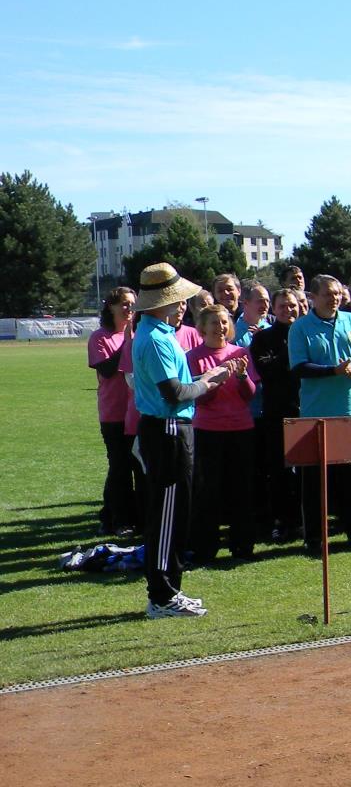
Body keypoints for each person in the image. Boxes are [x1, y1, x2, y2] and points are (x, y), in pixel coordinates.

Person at [131, 262, 241, 618]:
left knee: (176, 514)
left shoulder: (159, 335)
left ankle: (170, 590)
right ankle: (161, 596)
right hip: (167, 430)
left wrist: (207, 376)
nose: (183, 307)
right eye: (178, 301)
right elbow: (175, 392)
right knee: (165, 517)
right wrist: (209, 382)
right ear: (161, 302)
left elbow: (178, 384)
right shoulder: (155, 339)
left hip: (173, 429)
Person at [289, 274, 351, 551]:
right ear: (313, 298)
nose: (334, 298)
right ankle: (314, 537)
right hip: (315, 413)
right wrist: (334, 371)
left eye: (337, 293)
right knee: (315, 481)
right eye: (327, 294)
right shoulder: (301, 328)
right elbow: (299, 366)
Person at [188, 304, 258, 562]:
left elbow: (250, 394)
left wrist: (240, 377)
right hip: (209, 431)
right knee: (208, 491)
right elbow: (200, 399)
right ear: (203, 327)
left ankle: (242, 545)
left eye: (224, 322)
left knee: (241, 489)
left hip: (241, 429)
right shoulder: (193, 356)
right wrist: (215, 380)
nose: (221, 327)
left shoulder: (240, 353)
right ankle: (205, 547)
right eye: (215, 323)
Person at [248, 288, 303, 540]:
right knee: (279, 470)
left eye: (292, 305)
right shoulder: (262, 339)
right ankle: (282, 521)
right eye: (282, 306)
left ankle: (304, 519)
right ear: (274, 309)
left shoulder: (307, 333)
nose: (288, 310)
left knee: (304, 470)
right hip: (276, 412)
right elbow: (266, 369)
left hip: (305, 408)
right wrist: (291, 350)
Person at [89, 287, 139, 535]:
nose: (129, 308)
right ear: (111, 307)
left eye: (132, 304)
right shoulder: (100, 337)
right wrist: (127, 342)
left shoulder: (139, 334)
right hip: (113, 413)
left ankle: (112, 515)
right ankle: (119, 519)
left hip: (137, 411)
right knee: (120, 467)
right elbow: (107, 370)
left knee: (135, 466)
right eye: (124, 304)